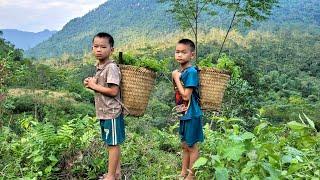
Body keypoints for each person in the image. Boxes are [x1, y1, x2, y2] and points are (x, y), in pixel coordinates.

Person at [84, 32, 125, 180]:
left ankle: (111, 176)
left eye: (103, 47)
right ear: (92, 48)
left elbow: (114, 91)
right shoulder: (100, 66)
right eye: (96, 46)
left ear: (111, 50)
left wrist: (94, 86)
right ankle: (116, 173)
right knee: (111, 143)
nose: (99, 50)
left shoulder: (111, 67)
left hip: (111, 112)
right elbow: (100, 86)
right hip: (104, 112)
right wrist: (91, 83)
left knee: (113, 145)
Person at [172, 39, 204, 180]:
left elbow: (186, 96)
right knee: (185, 145)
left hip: (192, 114)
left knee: (192, 146)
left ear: (192, 55)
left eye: (184, 52)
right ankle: (183, 173)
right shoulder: (182, 71)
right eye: (177, 52)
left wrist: (176, 78)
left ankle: (191, 176)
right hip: (184, 113)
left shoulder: (190, 72)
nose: (180, 55)